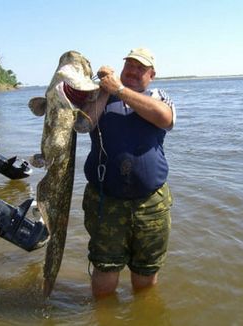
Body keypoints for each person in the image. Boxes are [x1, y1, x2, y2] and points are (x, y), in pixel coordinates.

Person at [80, 48, 176, 297]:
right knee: (105, 267)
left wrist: (121, 91)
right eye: (129, 66)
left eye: (140, 68)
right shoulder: (103, 96)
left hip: (151, 202)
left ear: (152, 74)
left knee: (147, 270)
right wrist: (104, 89)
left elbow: (165, 118)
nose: (133, 71)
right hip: (105, 200)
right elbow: (84, 124)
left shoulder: (158, 96)